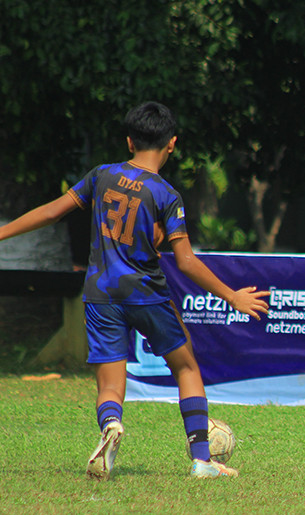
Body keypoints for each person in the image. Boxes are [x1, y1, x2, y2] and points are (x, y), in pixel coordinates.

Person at [0, 101, 269, 480]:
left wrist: (2, 233)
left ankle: (111, 425)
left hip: (101, 295)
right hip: (146, 294)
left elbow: (51, 212)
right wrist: (232, 296)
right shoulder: (165, 194)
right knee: (186, 366)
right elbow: (187, 261)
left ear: (129, 141)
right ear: (172, 143)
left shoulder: (101, 176)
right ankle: (201, 460)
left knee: (110, 386)